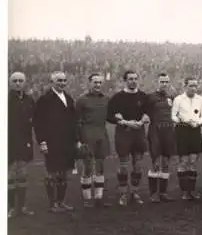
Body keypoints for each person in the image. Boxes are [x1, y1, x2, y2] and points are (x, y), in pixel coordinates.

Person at [34, 71, 77, 213]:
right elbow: (38, 123)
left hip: (67, 142)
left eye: (64, 80)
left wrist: (76, 140)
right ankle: (52, 204)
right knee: (52, 172)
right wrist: (42, 142)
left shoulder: (69, 98)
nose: (62, 83)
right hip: (52, 141)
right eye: (59, 80)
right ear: (52, 82)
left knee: (64, 172)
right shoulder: (45, 99)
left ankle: (61, 201)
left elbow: (73, 121)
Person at [107, 70, 150, 206]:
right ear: (125, 80)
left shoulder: (143, 96)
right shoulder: (117, 97)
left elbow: (149, 113)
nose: (133, 81)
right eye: (130, 79)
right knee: (124, 165)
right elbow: (109, 116)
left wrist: (142, 121)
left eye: (135, 78)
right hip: (123, 133)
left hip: (139, 133)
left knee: (137, 165)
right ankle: (124, 193)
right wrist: (125, 122)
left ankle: (135, 193)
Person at [75, 73, 111, 208]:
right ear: (89, 83)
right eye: (95, 82)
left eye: (100, 83)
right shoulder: (82, 100)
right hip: (87, 134)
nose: (98, 85)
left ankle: (99, 197)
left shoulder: (106, 99)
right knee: (88, 166)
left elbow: (111, 117)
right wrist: (78, 139)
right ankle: (87, 198)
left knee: (100, 166)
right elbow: (76, 121)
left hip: (102, 133)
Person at [172, 77, 202, 200]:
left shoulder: (200, 99)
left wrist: (197, 122)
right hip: (182, 131)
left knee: (193, 161)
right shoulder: (178, 99)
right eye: (191, 86)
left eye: (195, 86)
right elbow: (173, 116)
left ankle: (191, 190)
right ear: (185, 86)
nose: (193, 88)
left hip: (195, 131)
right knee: (183, 161)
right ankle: (184, 192)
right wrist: (184, 120)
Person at [145, 73, 177, 203]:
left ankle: (163, 193)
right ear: (157, 82)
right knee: (156, 162)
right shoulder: (150, 97)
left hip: (169, 131)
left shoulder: (171, 97)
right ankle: (153, 194)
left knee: (165, 162)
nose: (164, 84)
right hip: (155, 131)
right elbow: (145, 113)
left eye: (166, 82)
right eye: (162, 81)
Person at [8, 72, 36, 218]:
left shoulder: (29, 100)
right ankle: (11, 208)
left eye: (20, 80)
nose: (18, 83)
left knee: (23, 175)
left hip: (25, 141)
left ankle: (23, 206)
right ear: (10, 82)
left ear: (25, 82)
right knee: (11, 175)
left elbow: (34, 119)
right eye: (15, 81)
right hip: (9, 142)